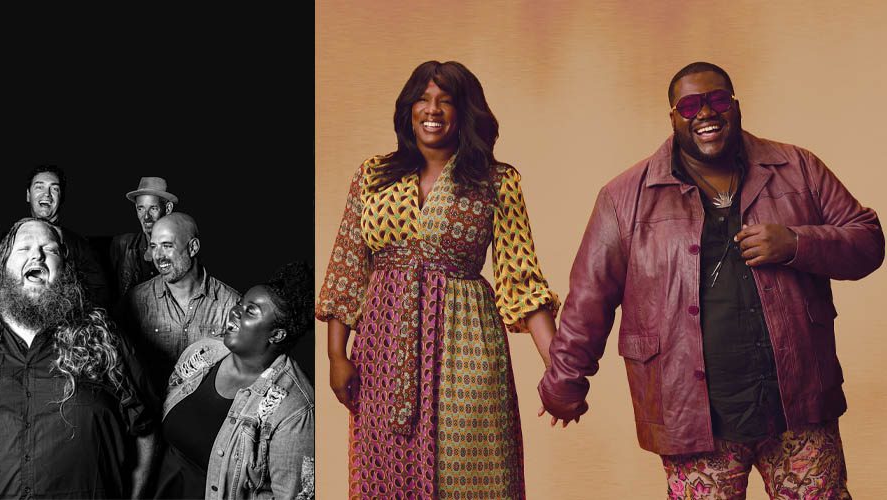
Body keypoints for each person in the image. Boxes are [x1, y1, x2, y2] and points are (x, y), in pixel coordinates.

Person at [537, 62, 883, 498]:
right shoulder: (625, 197)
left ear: (735, 107)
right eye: (690, 105)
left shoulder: (798, 168)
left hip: (800, 405)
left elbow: (868, 241)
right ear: (672, 117)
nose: (706, 113)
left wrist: (796, 243)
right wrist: (565, 380)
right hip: (693, 419)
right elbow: (590, 296)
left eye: (718, 100)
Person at [317, 60, 559, 498]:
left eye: (446, 102)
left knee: (468, 471)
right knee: (384, 472)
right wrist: (336, 353)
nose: (433, 110)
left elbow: (521, 281)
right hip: (383, 350)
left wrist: (560, 372)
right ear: (408, 109)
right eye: (423, 100)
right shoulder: (373, 175)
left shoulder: (495, 182)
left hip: (465, 346)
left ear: (465, 113)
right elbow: (348, 266)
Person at [0, 218, 157, 499]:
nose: (37, 255)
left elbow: (144, 427)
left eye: (51, 249)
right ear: (2, 266)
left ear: (65, 268)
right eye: (24, 248)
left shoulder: (105, 338)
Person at [156, 262, 315, 500]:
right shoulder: (201, 355)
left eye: (251, 311)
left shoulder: (294, 410)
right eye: (240, 304)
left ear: (277, 334)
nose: (235, 311)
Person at [124, 212, 240, 395]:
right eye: (154, 247)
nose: (158, 256)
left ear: (193, 247)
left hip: (204, 417)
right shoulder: (135, 302)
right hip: (151, 416)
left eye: (167, 246)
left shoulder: (231, 304)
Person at [24, 165, 110, 307]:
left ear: (61, 196)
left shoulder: (81, 246)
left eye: (54, 189)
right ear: (28, 195)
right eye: (39, 187)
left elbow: (101, 293)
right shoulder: (11, 241)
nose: (47, 194)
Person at [110, 176, 177, 303]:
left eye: (153, 208)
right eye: (141, 209)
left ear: (168, 209)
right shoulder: (121, 245)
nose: (146, 217)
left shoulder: (180, 249)